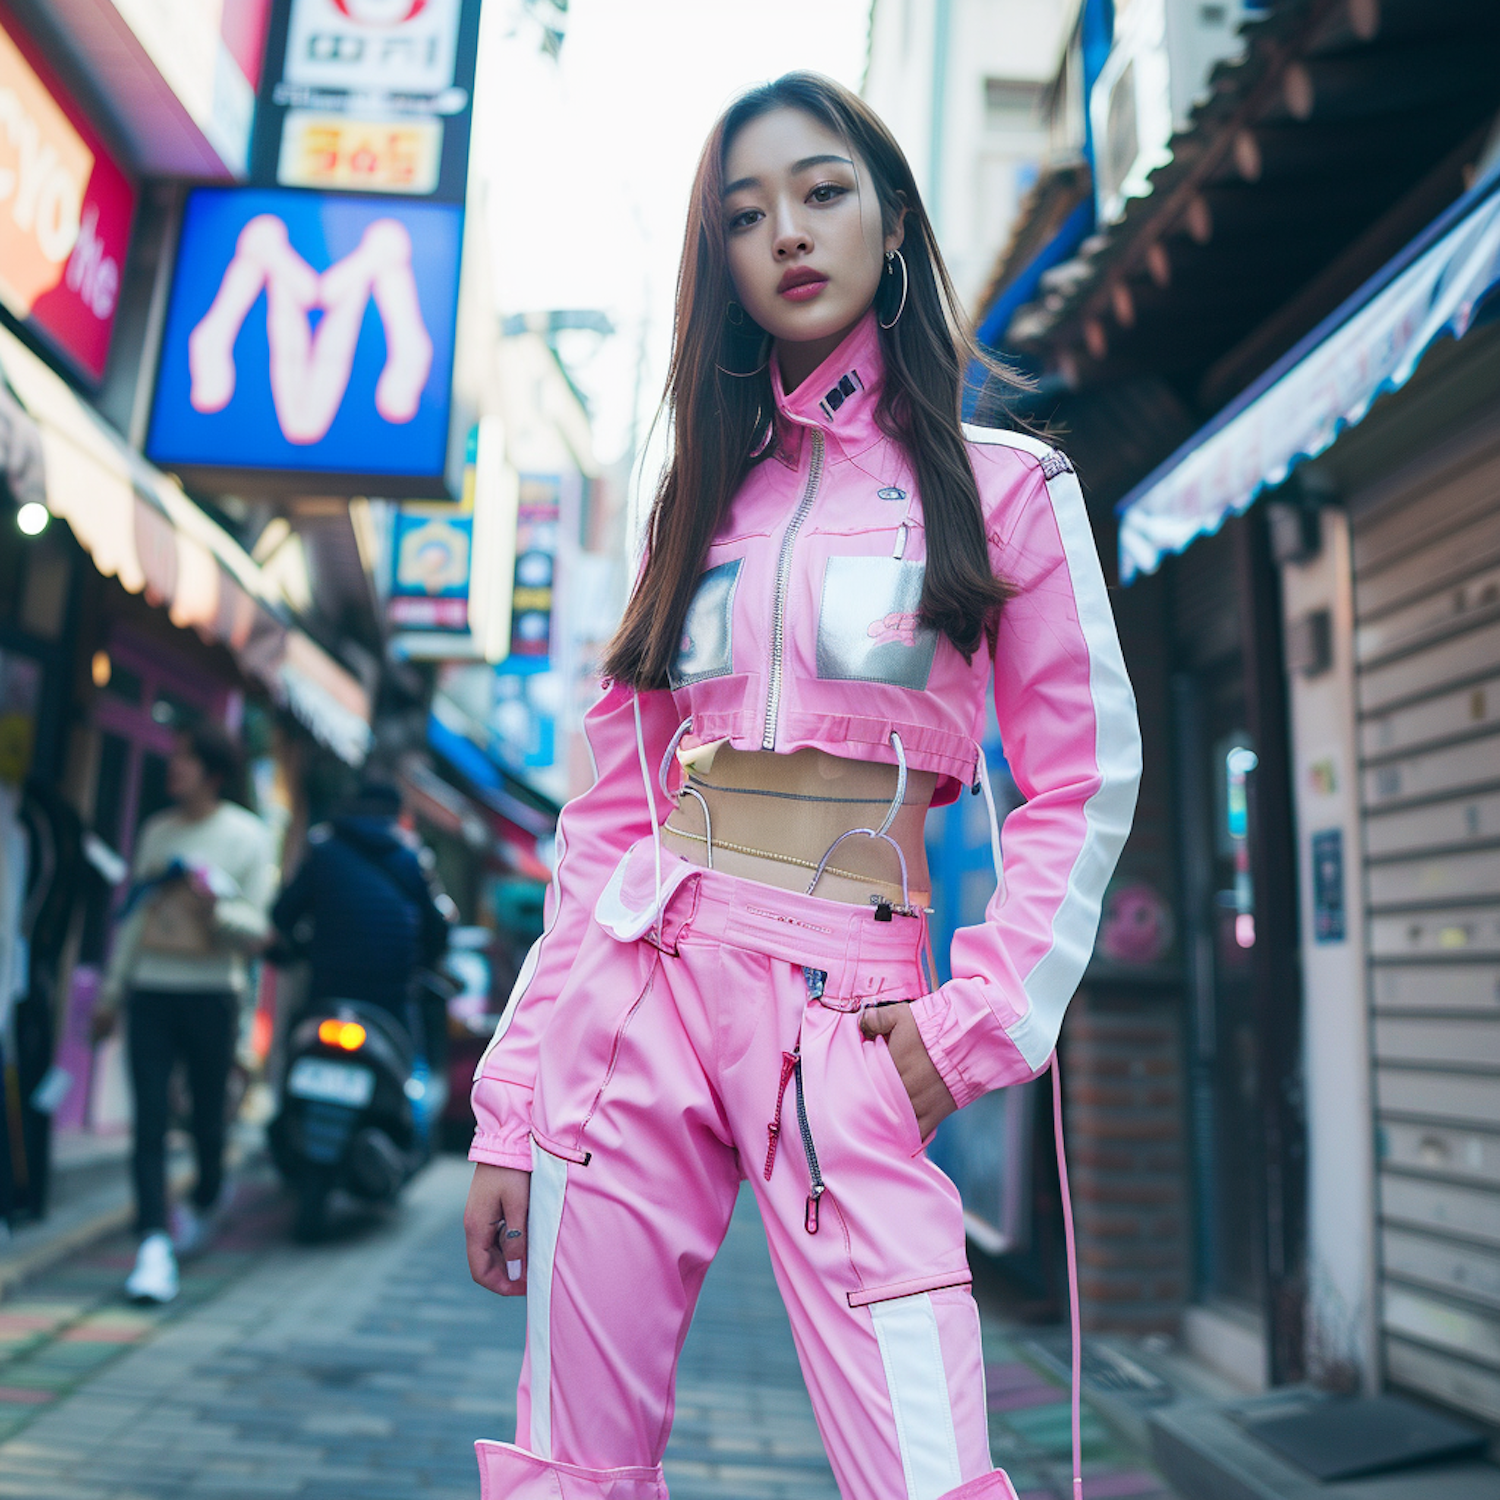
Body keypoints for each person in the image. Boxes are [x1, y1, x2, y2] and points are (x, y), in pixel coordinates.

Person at [464, 74, 1141, 1500]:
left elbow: (1082, 782)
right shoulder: (694, 505)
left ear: (893, 218)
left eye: (822, 191)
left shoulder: (1005, 488)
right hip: (638, 998)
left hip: (847, 1024)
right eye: (745, 213)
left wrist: (975, 1025)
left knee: (928, 1472)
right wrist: (515, 1107)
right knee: (565, 1468)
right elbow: (606, 823)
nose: (787, 232)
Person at [96, 721, 276, 1303]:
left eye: (184, 760)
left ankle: (205, 1197)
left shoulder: (248, 837)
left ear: (214, 774)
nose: (172, 768)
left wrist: (216, 903)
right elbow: (135, 918)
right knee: (148, 1117)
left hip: (211, 994)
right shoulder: (157, 832)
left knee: (205, 1118)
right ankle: (152, 1243)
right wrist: (110, 992)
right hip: (151, 988)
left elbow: (257, 932)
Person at [270, 778, 450, 1050]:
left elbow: (282, 915)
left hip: (328, 991)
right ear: (398, 815)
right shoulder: (412, 859)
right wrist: (424, 965)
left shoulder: (324, 851)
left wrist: (301, 949)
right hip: (389, 1000)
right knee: (408, 1065)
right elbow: (437, 929)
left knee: (297, 1050)